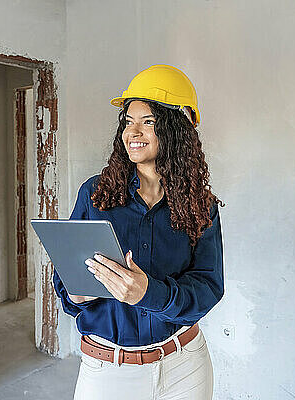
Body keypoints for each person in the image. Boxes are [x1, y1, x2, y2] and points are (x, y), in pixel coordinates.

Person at [52, 64, 225, 400]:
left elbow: (208, 286)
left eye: (148, 122)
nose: (133, 132)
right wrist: (76, 295)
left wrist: (149, 294)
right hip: (108, 370)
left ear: (178, 129)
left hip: (183, 365)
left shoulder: (200, 204)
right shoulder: (95, 194)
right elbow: (66, 280)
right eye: (129, 122)